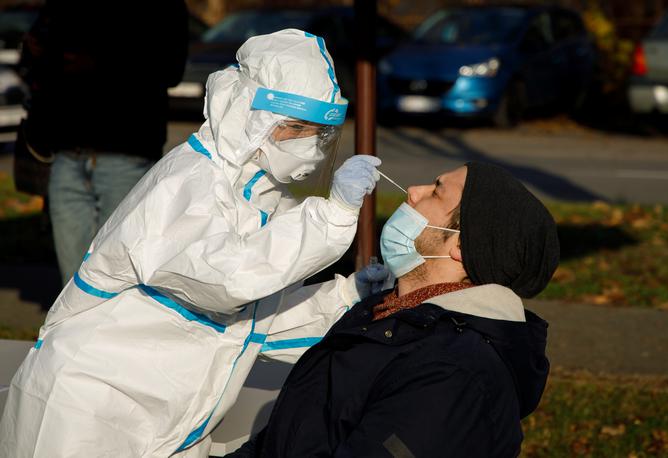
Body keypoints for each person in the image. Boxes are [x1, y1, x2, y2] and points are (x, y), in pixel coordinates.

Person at [0, 29, 385, 457]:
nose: (307, 145)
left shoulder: (262, 196)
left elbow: (253, 326)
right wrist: (330, 216)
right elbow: (226, 280)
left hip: (170, 424)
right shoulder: (188, 181)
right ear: (245, 112)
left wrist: (349, 298)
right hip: (87, 408)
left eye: (318, 132)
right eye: (294, 128)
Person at [227, 161, 560, 458]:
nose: (414, 191)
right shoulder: (386, 312)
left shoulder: (453, 373)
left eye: (436, 192)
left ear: (460, 245)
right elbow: (286, 436)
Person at [20, 0, 189, 285]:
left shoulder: (162, 7)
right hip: (67, 153)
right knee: (72, 282)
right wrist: (37, 53)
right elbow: (33, 58)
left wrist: (98, 62)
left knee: (118, 273)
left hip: (126, 154)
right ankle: (72, 328)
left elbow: (171, 69)